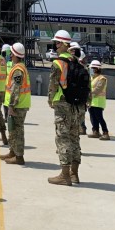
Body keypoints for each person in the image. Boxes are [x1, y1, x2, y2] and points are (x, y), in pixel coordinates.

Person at [47, 29, 81, 186]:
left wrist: (50, 99)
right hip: (76, 104)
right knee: (74, 137)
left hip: (61, 103)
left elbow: (53, 85)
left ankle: (65, 175)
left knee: (63, 137)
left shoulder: (58, 63)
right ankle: (74, 174)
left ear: (62, 44)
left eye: (56, 42)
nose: (55, 45)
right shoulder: (77, 62)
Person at [0, 42, 31, 165]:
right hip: (17, 104)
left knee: (17, 131)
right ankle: (12, 151)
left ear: (15, 54)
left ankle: (19, 157)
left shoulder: (18, 70)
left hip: (18, 105)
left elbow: (15, 89)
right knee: (12, 130)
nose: (10, 55)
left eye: (11, 53)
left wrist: (12, 106)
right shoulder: (18, 67)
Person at [69, 42, 89, 135]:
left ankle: (82, 127)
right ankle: (81, 128)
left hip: (76, 97)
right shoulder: (82, 69)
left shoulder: (72, 67)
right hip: (81, 97)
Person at [88, 59, 110, 139]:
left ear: (97, 68)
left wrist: (88, 94)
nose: (91, 69)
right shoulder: (91, 78)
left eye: (93, 68)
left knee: (99, 117)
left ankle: (105, 132)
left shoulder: (102, 78)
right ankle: (95, 131)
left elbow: (98, 89)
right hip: (91, 102)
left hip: (98, 102)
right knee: (93, 117)